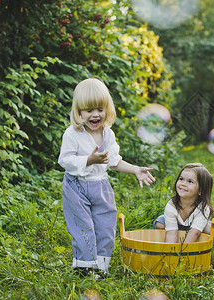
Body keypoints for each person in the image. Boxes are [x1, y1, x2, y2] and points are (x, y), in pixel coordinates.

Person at [58, 77, 155, 278]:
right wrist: (89, 160)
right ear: (79, 112)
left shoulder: (108, 134)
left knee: (105, 226)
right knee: (83, 227)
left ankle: (100, 268)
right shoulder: (72, 134)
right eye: (88, 110)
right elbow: (65, 160)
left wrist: (135, 169)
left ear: (107, 109)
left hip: (101, 186)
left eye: (100, 109)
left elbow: (114, 160)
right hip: (76, 187)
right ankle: (85, 269)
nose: (95, 115)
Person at [153, 163, 214, 245]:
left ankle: (202, 247)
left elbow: (195, 233)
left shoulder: (203, 207)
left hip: (197, 228)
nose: (183, 184)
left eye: (190, 181)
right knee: (160, 222)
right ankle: (167, 241)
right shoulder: (171, 205)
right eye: (181, 179)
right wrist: (170, 252)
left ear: (200, 190)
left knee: (212, 232)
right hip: (177, 225)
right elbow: (171, 233)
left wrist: (183, 253)